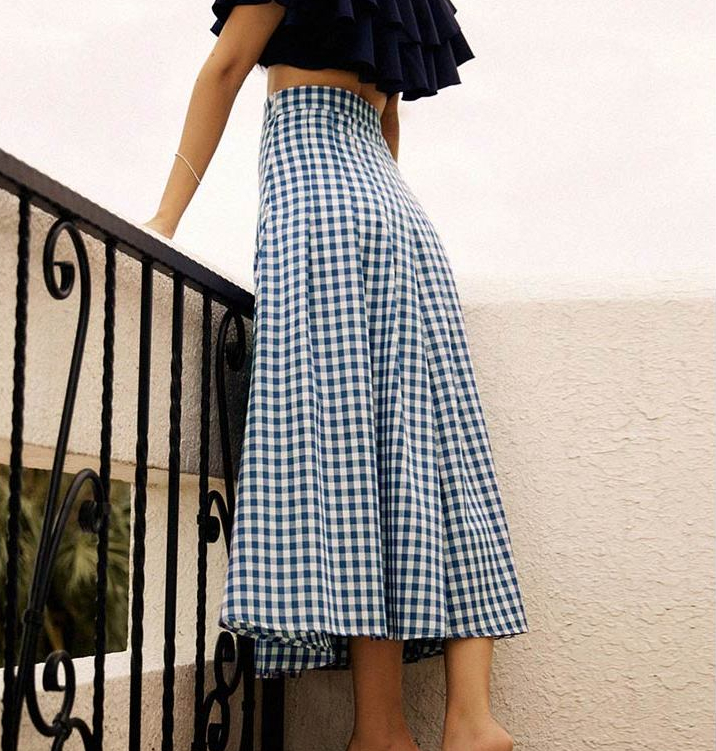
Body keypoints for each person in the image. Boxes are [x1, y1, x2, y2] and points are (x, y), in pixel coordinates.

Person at [144, 2, 529, 750]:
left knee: (352, 464)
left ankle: (382, 728)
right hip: (400, 219)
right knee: (436, 455)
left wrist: (164, 219)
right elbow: (388, 127)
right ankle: (469, 718)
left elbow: (225, 69)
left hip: (319, 205)